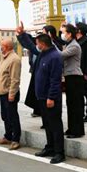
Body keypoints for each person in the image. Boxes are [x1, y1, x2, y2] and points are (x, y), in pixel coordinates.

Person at [33, 34, 66, 164]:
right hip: (42, 97)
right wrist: (22, 35)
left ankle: (59, 152)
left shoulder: (55, 57)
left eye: (37, 43)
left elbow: (55, 80)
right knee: (47, 124)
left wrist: (51, 97)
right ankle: (50, 147)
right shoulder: (43, 54)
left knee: (55, 125)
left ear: (43, 43)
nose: (37, 46)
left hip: (51, 98)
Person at [57, 24, 85, 139]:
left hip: (75, 78)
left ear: (69, 34)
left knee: (76, 105)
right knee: (71, 104)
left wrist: (51, 46)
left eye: (64, 32)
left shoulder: (74, 46)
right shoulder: (69, 45)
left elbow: (61, 55)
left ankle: (77, 131)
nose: (63, 35)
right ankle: (71, 128)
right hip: (70, 77)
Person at [16, 22, 44, 129]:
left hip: (46, 81)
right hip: (36, 71)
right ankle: (39, 112)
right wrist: (22, 33)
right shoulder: (39, 49)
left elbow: (31, 46)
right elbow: (29, 44)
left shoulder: (51, 52)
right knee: (36, 94)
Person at [76, 23, 87, 122]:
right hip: (78, 71)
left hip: (84, 72)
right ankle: (81, 113)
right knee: (80, 94)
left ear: (79, 31)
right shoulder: (76, 41)